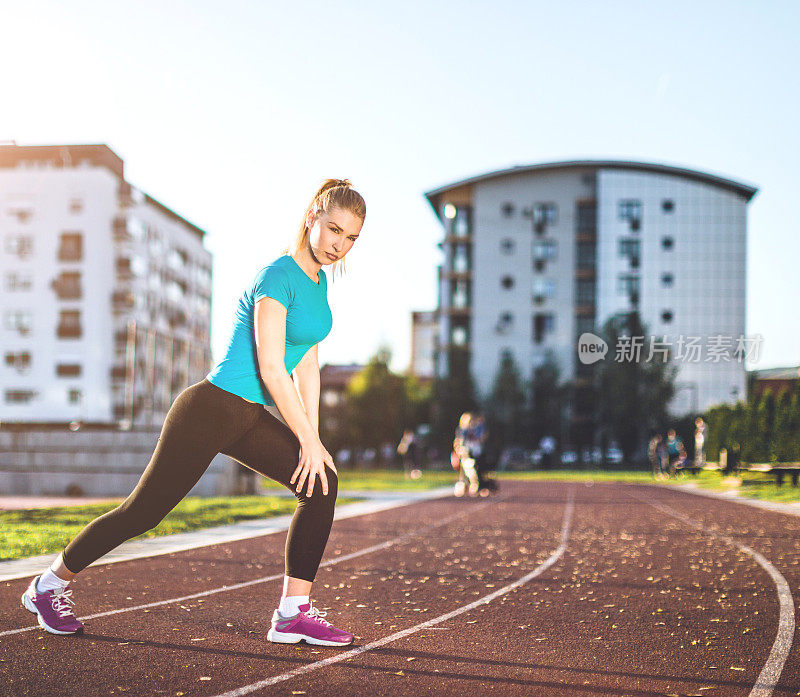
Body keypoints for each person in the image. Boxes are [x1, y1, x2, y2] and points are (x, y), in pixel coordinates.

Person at [20, 179, 366, 647]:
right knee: (141, 513)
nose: (338, 245)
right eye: (333, 230)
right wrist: (303, 436)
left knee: (320, 481)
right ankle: (49, 584)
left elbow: (306, 362)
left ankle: (292, 613)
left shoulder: (318, 284)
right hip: (209, 409)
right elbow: (270, 367)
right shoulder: (277, 276)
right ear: (311, 219)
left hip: (246, 416)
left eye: (350, 238)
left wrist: (314, 441)